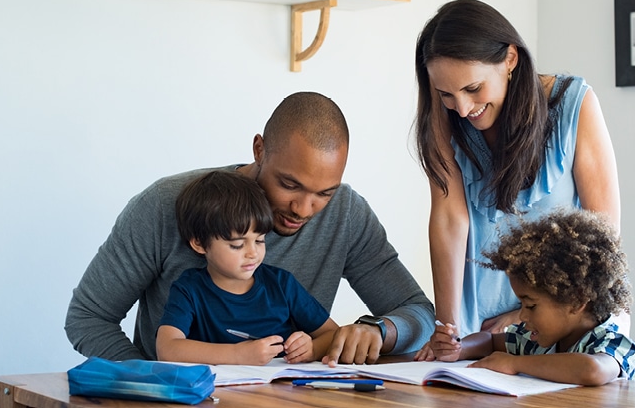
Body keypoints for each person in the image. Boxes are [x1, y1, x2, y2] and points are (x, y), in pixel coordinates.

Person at [65, 91, 434, 364]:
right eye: (289, 185)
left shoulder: (346, 213)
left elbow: (418, 312)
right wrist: (152, 384)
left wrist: (379, 331)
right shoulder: (165, 205)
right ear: (259, 149)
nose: (304, 209)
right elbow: (88, 317)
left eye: (324, 193)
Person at [412, 0, 623, 359]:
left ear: (510, 59)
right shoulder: (444, 119)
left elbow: (602, 237)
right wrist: (446, 329)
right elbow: (450, 220)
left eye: (473, 89)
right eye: (446, 94)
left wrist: (525, 314)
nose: (462, 108)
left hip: (562, 325)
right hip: (475, 330)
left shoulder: (575, 104)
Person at [430, 209, 635, 385]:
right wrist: (459, 349)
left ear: (577, 300)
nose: (522, 316)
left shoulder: (611, 341)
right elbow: (490, 342)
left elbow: (591, 370)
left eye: (530, 306)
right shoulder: (536, 340)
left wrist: (514, 364)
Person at [156, 171, 339, 365]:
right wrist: (238, 355)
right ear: (199, 243)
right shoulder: (189, 289)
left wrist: (312, 349)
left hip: (280, 390)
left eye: (260, 240)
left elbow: (333, 334)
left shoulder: (281, 284)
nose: (253, 253)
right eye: (237, 245)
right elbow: (167, 348)